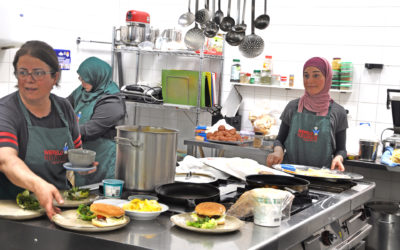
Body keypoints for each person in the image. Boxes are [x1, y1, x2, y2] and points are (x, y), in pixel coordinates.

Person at [0, 40, 83, 219]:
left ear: (55, 77)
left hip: (59, 208)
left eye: (38, 73)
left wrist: (83, 165)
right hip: (14, 212)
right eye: (23, 72)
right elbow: (6, 160)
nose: (29, 79)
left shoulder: (64, 109)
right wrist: (38, 185)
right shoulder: (6, 111)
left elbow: (77, 152)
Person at [266, 57, 348, 171]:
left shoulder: (338, 112)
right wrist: (278, 151)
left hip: (322, 177)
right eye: (306, 75)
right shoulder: (292, 107)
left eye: (316, 75)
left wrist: (339, 158)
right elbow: (280, 140)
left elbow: (341, 149)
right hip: (289, 174)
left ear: (327, 77)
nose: (309, 81)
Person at [67, 57, 126, 186]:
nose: (82, 82)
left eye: (85, 79)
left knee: (98, 195)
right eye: (81, 78)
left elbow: (92, 129)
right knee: (81, 193)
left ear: (97, 77)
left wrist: (64, 132)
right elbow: (65, 106)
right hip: (83, 153)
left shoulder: (112, 101)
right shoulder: (84, 90)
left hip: (102, 156)